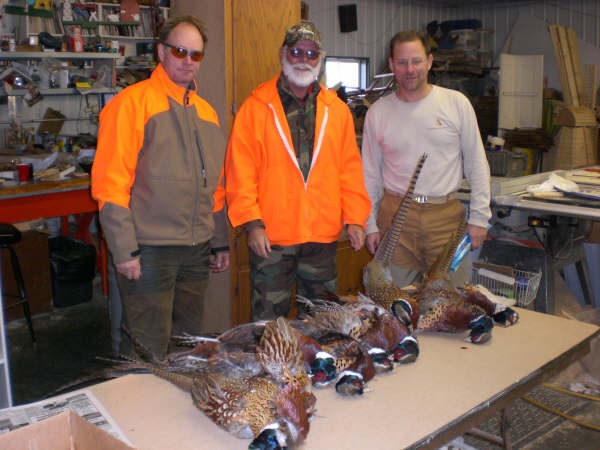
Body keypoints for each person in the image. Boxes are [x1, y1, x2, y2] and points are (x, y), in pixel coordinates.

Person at [91, 15, 229, 359]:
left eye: (195, 55)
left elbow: (215, 185)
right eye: (180, 51)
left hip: (196, 251)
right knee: (145, 345)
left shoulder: (207, 114)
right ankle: (135, 411)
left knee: (188, 342)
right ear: (160, 51)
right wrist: (124, 249)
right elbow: (111, 183)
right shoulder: (131, 104)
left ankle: (176, 408)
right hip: (150, 252)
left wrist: (219, 241)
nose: (188, 61)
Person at [225, 22, 371, 321]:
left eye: (311, 53)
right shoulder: (255, 108)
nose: (303, 58)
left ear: (320, 58)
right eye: (296, 51)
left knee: (323, 321)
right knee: (269, 325)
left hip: (322, 238)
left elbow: (350, 170)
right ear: (283, 54)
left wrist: (356, 219)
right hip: (273, 239)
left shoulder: (337, 110)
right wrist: (252, 224)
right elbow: (240, 171)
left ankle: (319, 369)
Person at [362, 30, 491, 288]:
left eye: (417, 60)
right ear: (391, 65)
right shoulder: (377, 113)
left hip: (444, 220)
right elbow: (370, 174)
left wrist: (479, 218)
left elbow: (477, 163)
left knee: (450, 306)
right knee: (393, 306)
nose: (410, 69)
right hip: (396, 220)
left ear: (429, 61)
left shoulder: (456, 104)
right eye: (402, 62)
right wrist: (370, 225)